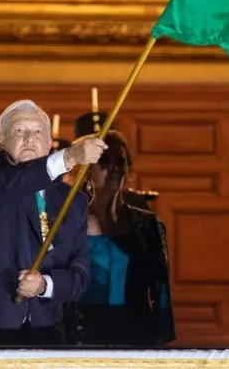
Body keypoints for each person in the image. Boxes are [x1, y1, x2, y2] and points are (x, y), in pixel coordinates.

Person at [0, 100, 103, 346]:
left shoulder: (73, 201)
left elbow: (80, 276)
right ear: (0, 140)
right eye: (19, 130)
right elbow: (12, 183)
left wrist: (45, 285)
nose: (29, 138)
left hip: (47, 331)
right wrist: (69, 157)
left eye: (38, 132)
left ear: (50, 142)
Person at [66, 130, 174, 346]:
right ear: (88, 172)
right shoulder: (69, 226)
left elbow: (161, 291)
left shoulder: (149, 225)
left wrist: (161, 341)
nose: (114, 168)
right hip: (82, 339)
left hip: (136, 337)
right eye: (104, 161)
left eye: (121, 162)